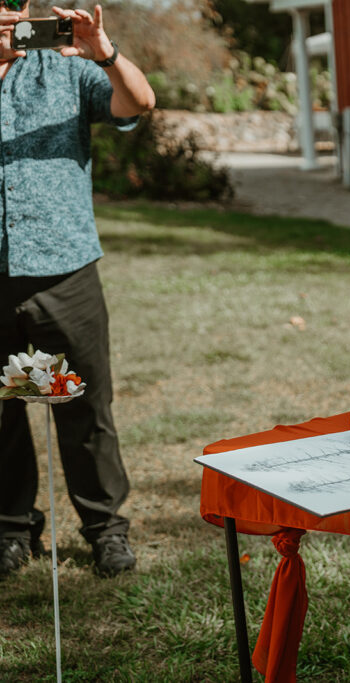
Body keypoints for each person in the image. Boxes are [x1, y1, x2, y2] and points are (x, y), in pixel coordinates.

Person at [0, 2, 155, 578]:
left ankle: (105, 530)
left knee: (81, 409)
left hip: (62, 275)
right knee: (5, 413)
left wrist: (106, 53)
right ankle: (12, 529)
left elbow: (137, 104)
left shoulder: (64, 67)